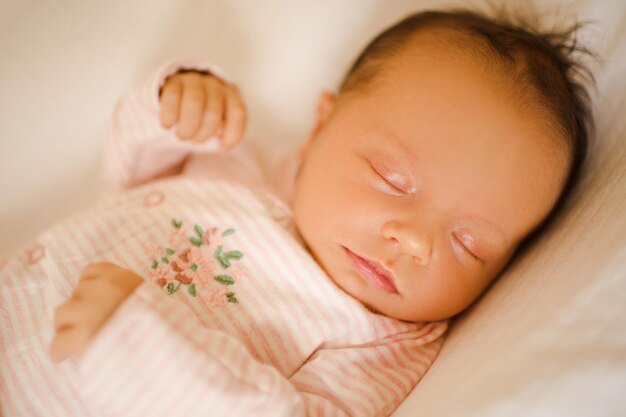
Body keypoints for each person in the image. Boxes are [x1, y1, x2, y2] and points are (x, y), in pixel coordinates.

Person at [0, 8, 593, 417]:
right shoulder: (232, 166)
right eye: (392, 179)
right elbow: (127, 175)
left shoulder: (374, 346)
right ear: (319, 129)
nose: (415, 241)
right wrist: (174, 106)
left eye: (471, 243)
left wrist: (137, 341)